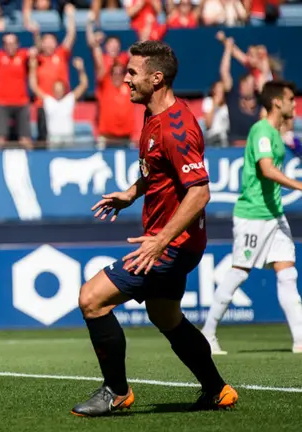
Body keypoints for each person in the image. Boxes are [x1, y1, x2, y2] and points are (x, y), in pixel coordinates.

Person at [72, 40, 237, 417]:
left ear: (156, 78)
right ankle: (217, 390)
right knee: (165, 316)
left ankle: (116, 392)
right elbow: (159, 170)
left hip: (172, 245)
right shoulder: (154, 114)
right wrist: (132, 193)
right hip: (173, 242)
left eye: (133, 73)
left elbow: (200, 192)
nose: (126, 79)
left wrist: (161, 242)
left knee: (91, 299)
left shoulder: (176, 128)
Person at [201, 80, 302, 355]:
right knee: (238, 273)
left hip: (274, 214)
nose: (294, 103)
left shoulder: (276, 132)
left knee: (288, 273)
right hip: (253, 215)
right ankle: (207, 334)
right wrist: (299, 185)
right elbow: (267, 169)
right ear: (277, 102)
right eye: (290, 99)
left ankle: (300, 340)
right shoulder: (261, 131)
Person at [28, 56, 88, 148]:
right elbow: (34, 86)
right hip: (53, 140)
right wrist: (32, 69)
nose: (58, 92)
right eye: (56, 90)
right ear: (53, 90)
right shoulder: (49, 101)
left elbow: (83, 85)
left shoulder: (69, 99)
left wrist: (81, 70)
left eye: (60, 90)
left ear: (64, 90)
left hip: (68, 139)